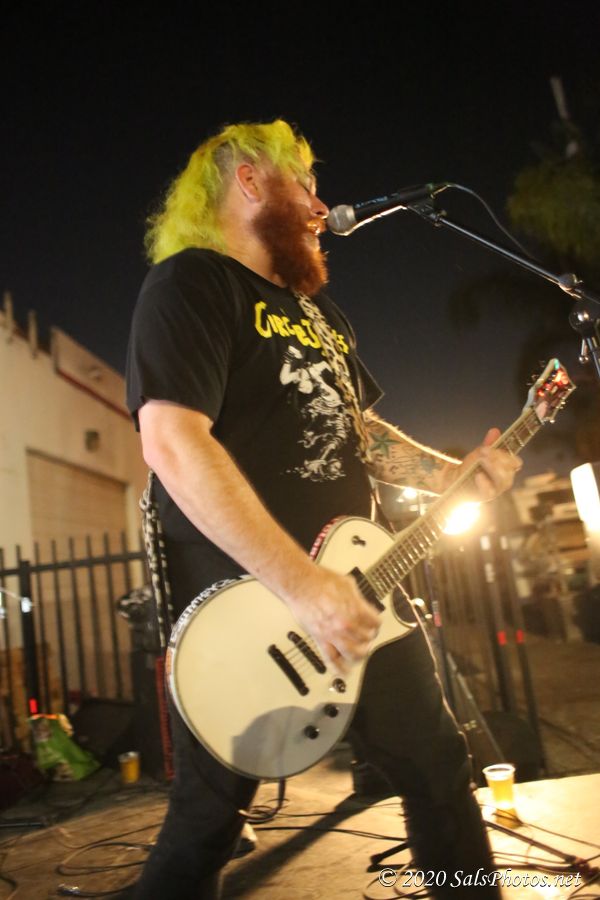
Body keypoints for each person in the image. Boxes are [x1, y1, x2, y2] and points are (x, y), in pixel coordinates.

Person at [125, 119, 521, 899]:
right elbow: (170, 441)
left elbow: (360, 433)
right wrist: (302, 585)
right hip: (248, 610)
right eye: (303, 181)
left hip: (360, 589)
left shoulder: (319, 315)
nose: (319, 202)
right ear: (249, 181)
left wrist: (455, 475)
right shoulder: (192, 285)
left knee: (438, 766)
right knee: (207, 822)